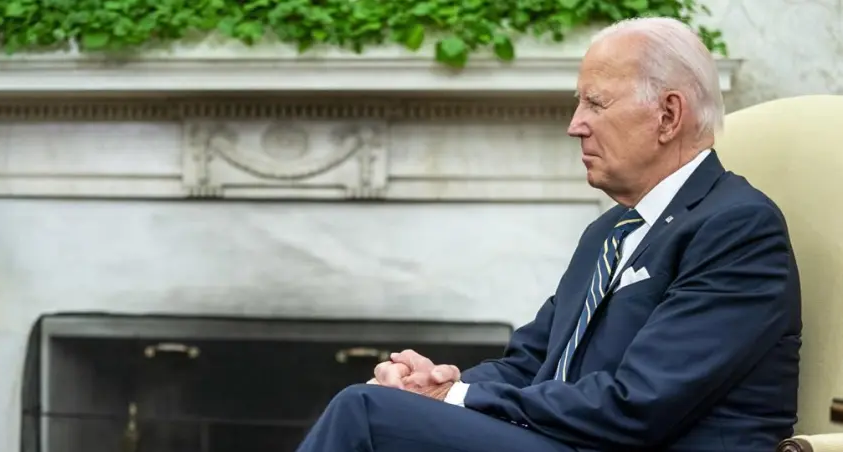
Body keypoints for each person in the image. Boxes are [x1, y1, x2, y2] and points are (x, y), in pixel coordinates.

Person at [295, 16, 801, 452]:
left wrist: (457, 398)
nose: (575, 125)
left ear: (667, 115)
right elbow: (529, 363)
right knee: (381, 399)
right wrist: (437, 384)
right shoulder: (610, 231)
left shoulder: (737, 227)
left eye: (595, 104)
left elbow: (640, 405)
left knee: (365, 412)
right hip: (568, 441)